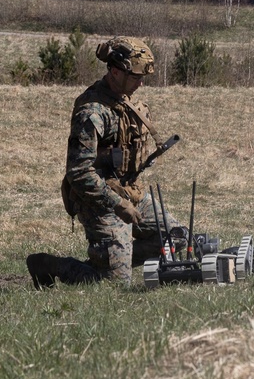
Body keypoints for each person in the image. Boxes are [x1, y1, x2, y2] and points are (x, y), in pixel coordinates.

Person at [26, 37, 183, 288]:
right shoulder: (92, 111)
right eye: (135, 77)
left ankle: (115, 258)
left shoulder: (129, 102)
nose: (141, 83)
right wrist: (117, 203)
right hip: (98, 200)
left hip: (130, 193)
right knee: (113, 284)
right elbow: (78, 173)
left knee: (177, 238)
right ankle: (50, 265)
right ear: (114, 71)